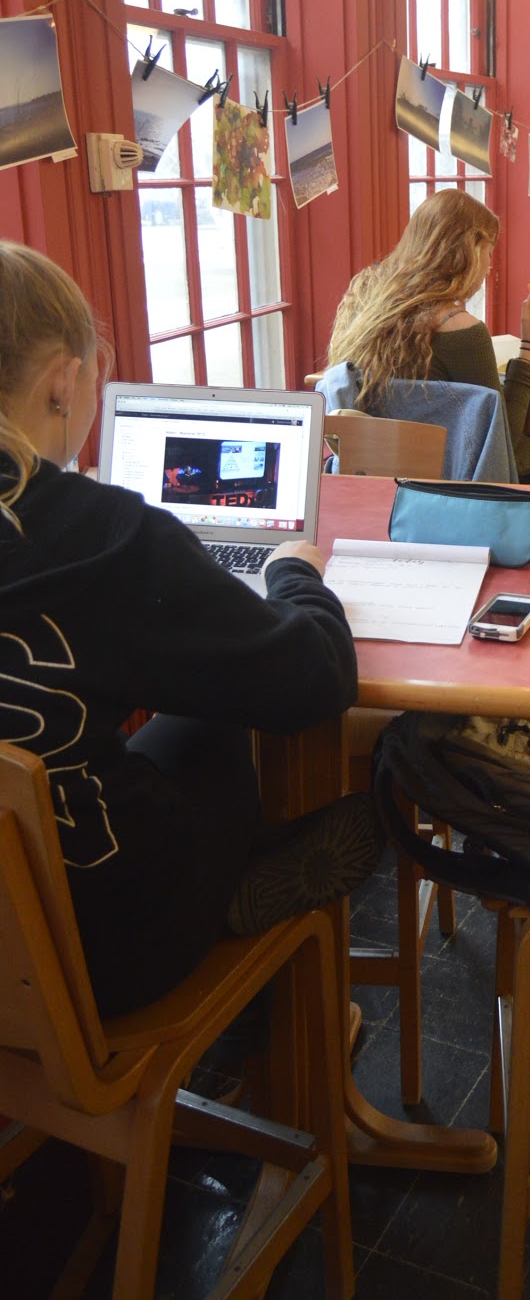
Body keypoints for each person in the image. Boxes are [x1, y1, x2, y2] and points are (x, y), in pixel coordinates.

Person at [0, 243, 376, 1019]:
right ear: (63, 382)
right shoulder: (101, 537)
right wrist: (294, 570)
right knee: (214, 711)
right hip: (98, 957)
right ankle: (251, 873)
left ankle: (252, 865)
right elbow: (317, 677)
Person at [326, 188, 530, 521]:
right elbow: (501, 435)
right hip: (473, 484)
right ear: (468, 252)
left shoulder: (365, 304)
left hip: (388, 484)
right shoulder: (460, 330)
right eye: (488, 252)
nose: (489, 267)